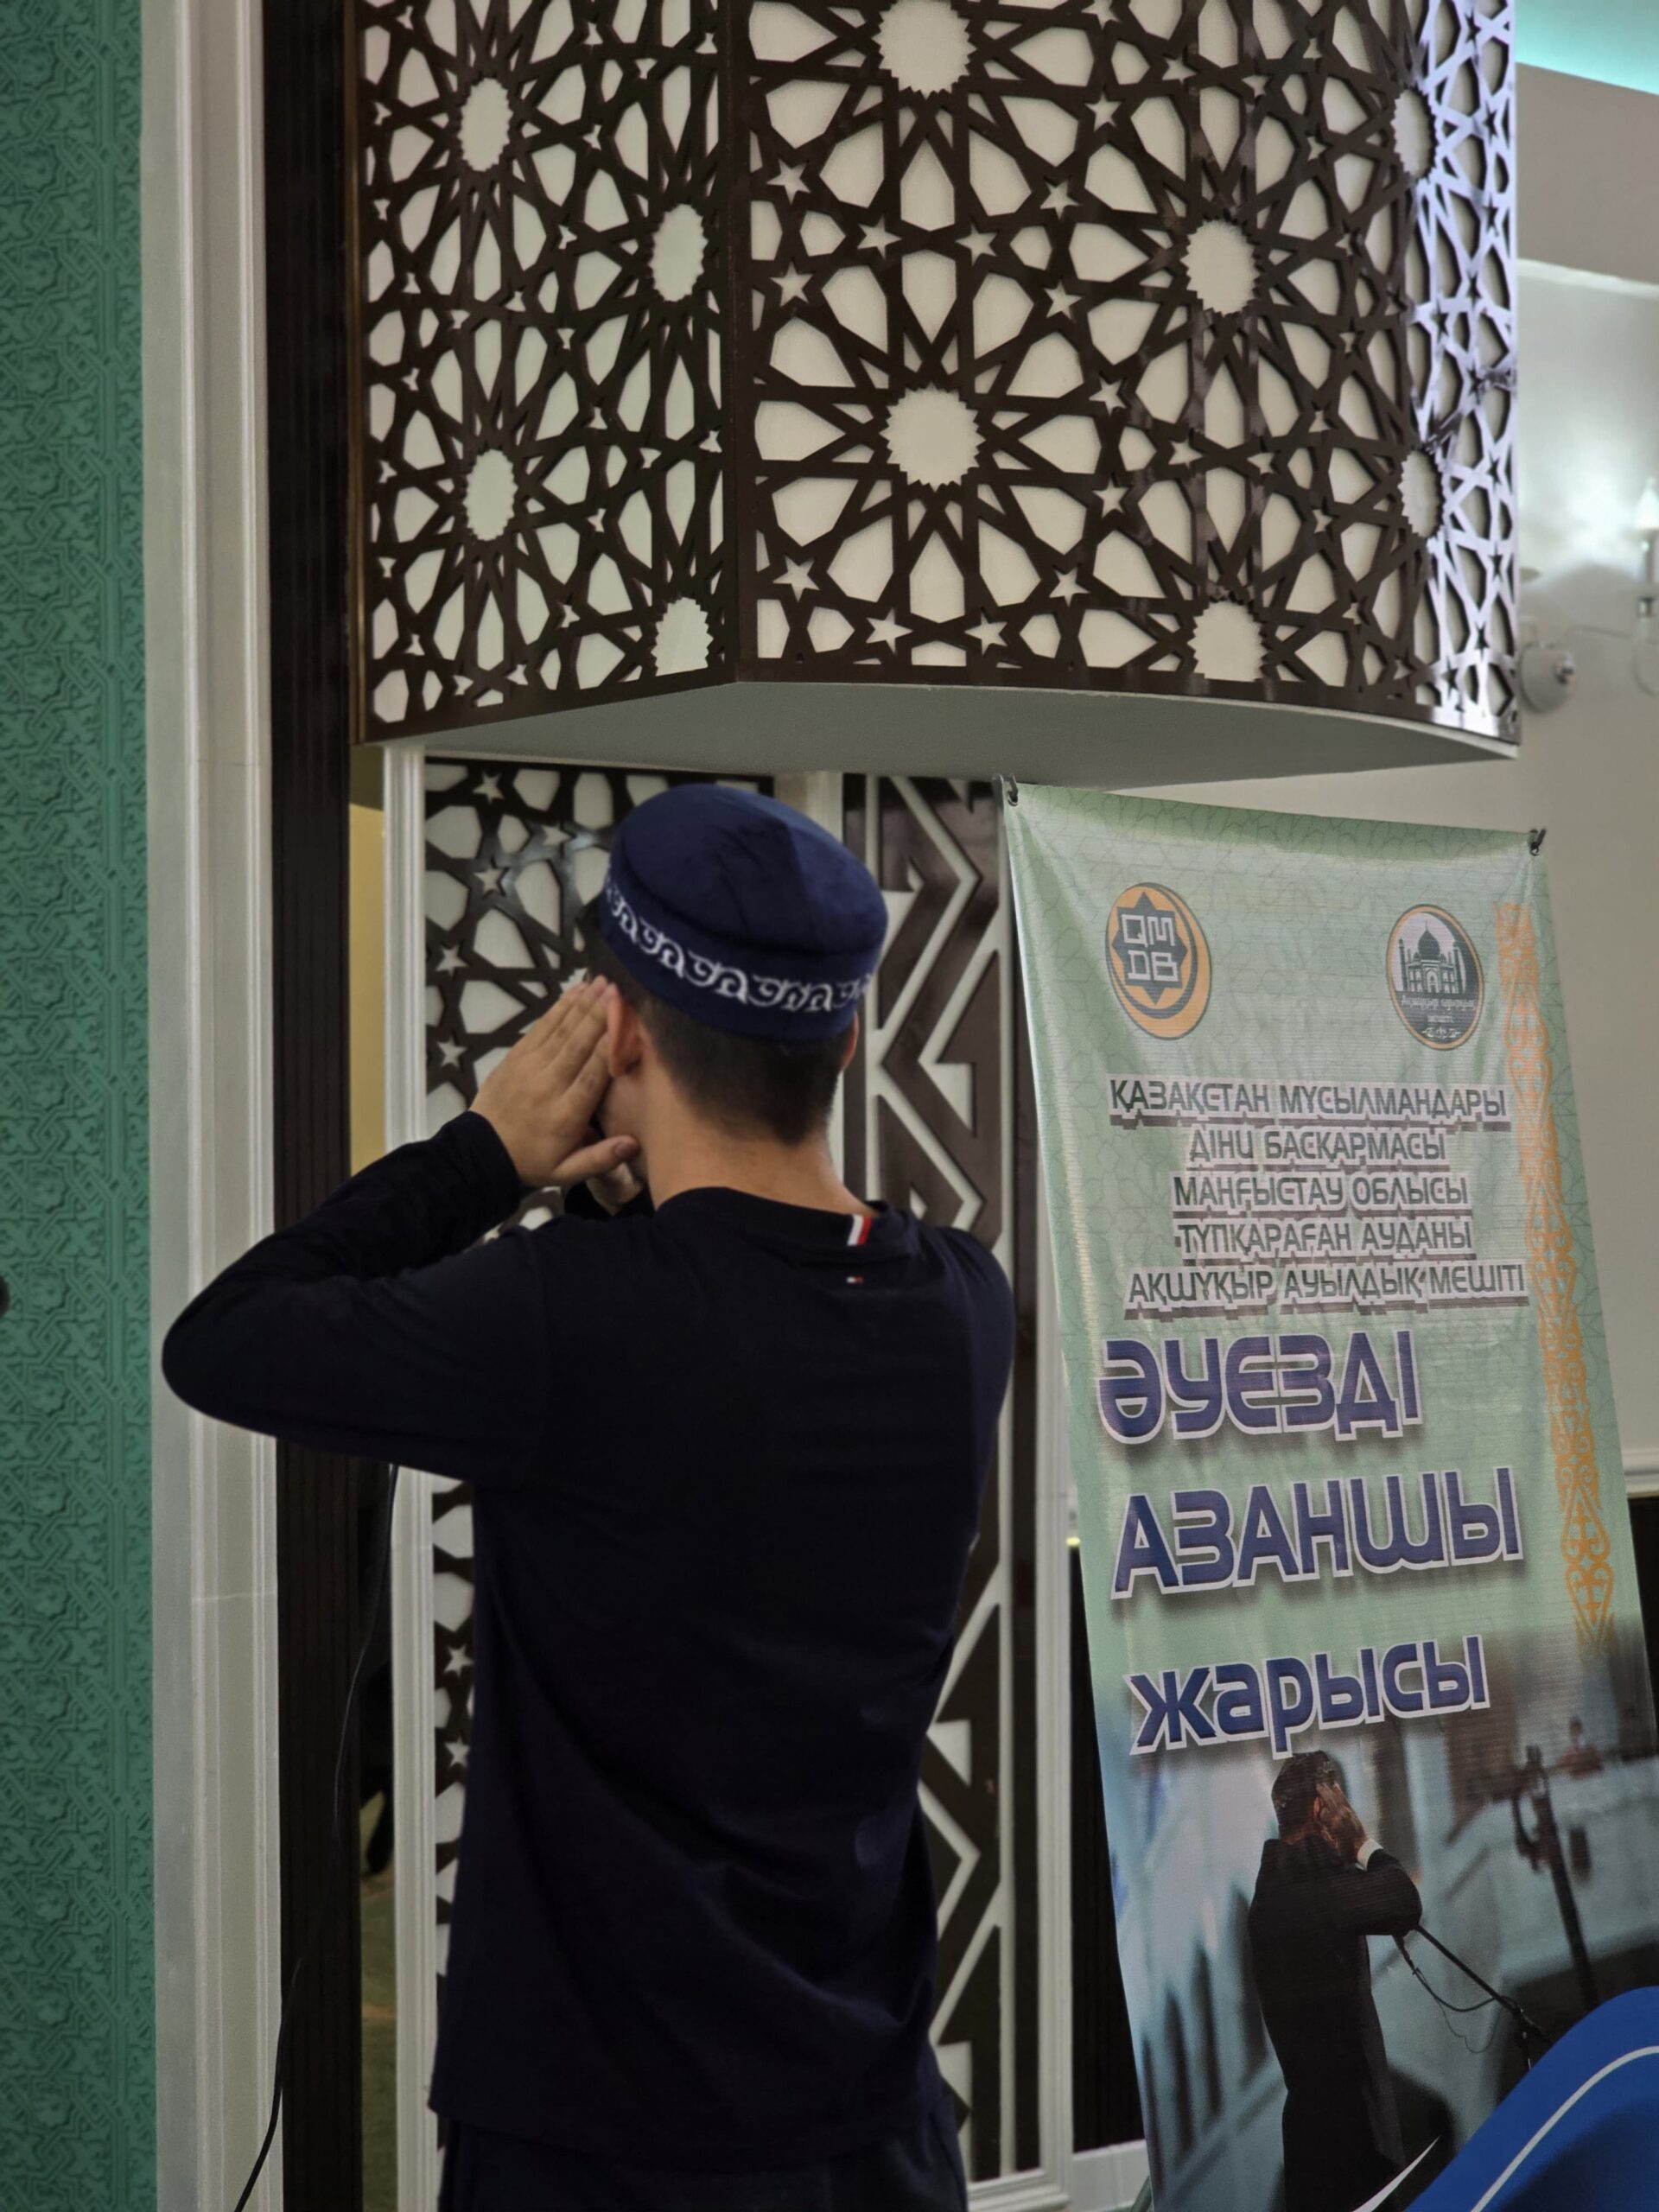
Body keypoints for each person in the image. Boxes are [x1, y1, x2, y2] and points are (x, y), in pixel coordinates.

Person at [162, 785, 1014, 2212]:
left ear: (615, 1032)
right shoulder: (962, 1303)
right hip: (867, 2123)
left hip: (602, 2138)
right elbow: (731, 1355)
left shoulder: (564, 1318)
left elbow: (225, 1339)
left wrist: (482, 1156)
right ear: (849, 1040)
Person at [1248, 1751, 1422, 2212]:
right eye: (1340, 1803)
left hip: (1313, 2137)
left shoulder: (1272, 1894)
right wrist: (1362, 1843)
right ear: (1321, 1807)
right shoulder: (1311, 1890)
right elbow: (1404, 1901)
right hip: (1352, 2142)